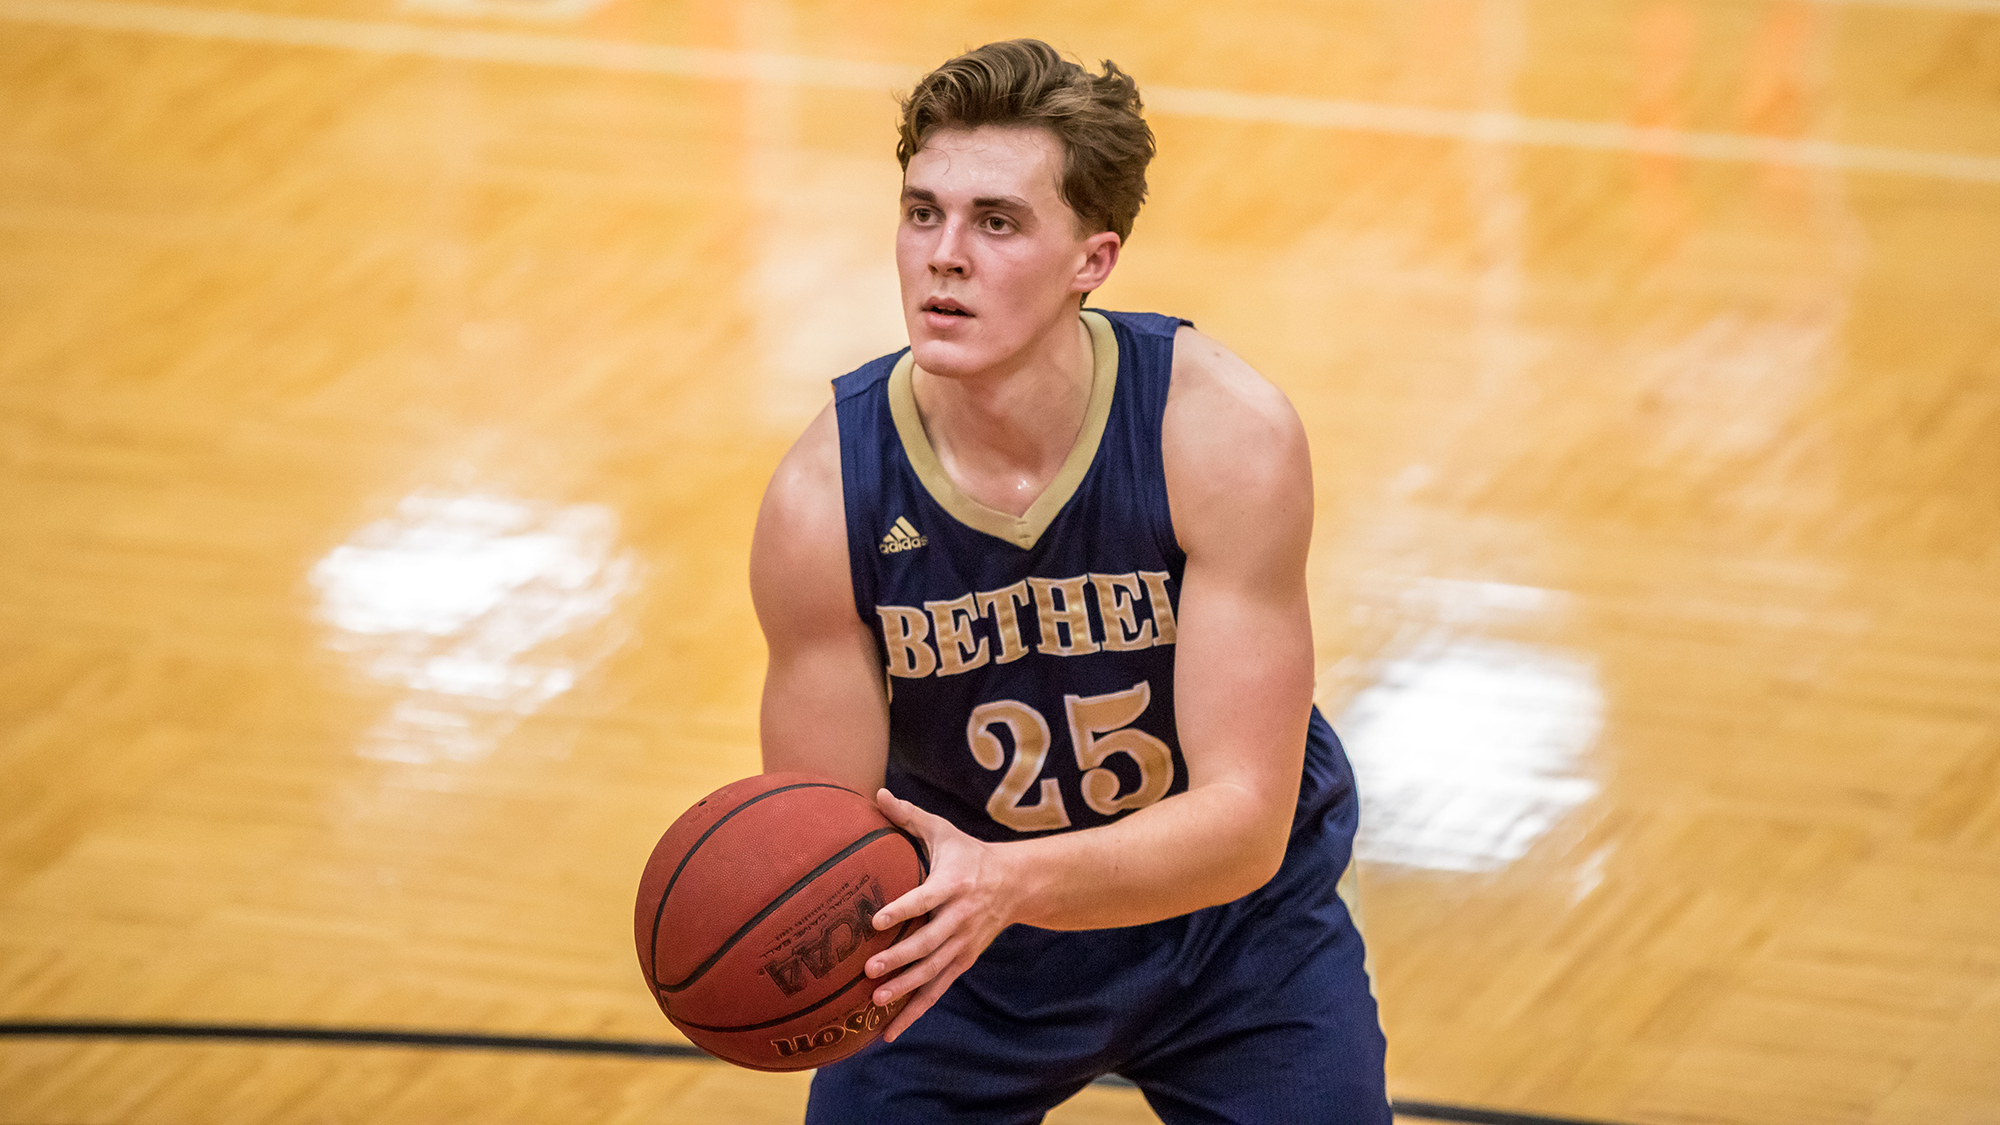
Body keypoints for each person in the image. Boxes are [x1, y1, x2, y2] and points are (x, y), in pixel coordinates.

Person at [749, 38, 1389, 1124]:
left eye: (995, 222)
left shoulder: (1217, 436)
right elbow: (830, 842)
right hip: (962, 949)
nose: (943, 256)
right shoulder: (823, 499)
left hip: (1228, 934)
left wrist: (1012, 882)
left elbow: (1241, 824)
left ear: (1092, 260)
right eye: (921, 213)